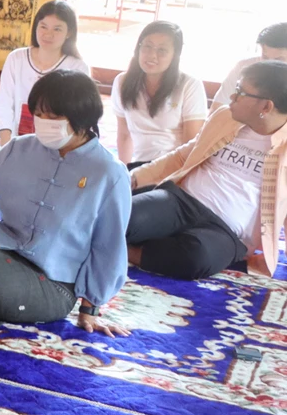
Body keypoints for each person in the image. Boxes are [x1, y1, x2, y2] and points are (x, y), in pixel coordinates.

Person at [0, 71, 132, 339]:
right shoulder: (20, 148)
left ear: (82, 118)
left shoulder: (109, 173)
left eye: (53, 117)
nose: (43, 123)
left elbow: (108, 246)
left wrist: (92, 307)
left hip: (51, 283)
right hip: (0, 244)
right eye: (39, 114)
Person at [126, 60, 287, 280]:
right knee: (124, 217)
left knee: (196, 259)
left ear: (266, 107)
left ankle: (128, 251)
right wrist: (135, 178)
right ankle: (155, 245)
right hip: (181, 201)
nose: (232, 97)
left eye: (240, 92)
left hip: (226, 231)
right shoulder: (224, 117)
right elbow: (184, 154)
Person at [0, 0, 90, 145]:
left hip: (58, 145)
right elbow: (4, 105)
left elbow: (79, 117)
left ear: (69, 32)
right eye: (43, 27)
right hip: (15, 141)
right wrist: (7, 146)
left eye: (57, 29)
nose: (48, 34)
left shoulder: (77, 68)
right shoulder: (16, 58)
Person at [110, 21, 205, 167]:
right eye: (147, 46)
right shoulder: (122, 82)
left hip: (172, 167)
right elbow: (124, 134)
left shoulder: (189, 85)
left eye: (162, 50)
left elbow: (191, 144)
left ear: (175, 55)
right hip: (138, 166)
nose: (152, 55)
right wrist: (123, 173)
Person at [213, 22, 287, 112]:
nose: (269, 64)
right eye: (265, 57)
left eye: (278, 60)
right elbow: (218, 107)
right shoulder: (244, 68)